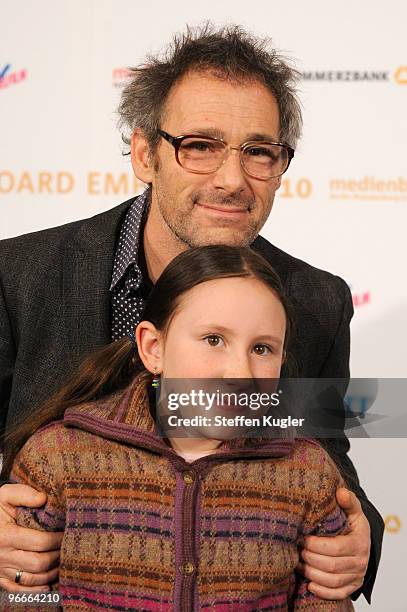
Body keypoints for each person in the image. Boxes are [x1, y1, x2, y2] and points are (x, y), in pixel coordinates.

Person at [0, 24, 382, 600]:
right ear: (145, 153)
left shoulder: (317, 300)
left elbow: (330, 470)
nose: (231, 180)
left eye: (258, 152)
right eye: (200, 146)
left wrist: (357, 541)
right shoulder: (17, 276)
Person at [5, 245, 354, 610]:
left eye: (263, 349)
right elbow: (20, 593)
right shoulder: (59, 456)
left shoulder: (308, 472)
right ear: (153, 348)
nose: (240, 373)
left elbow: (326, 601)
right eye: (213, 340)